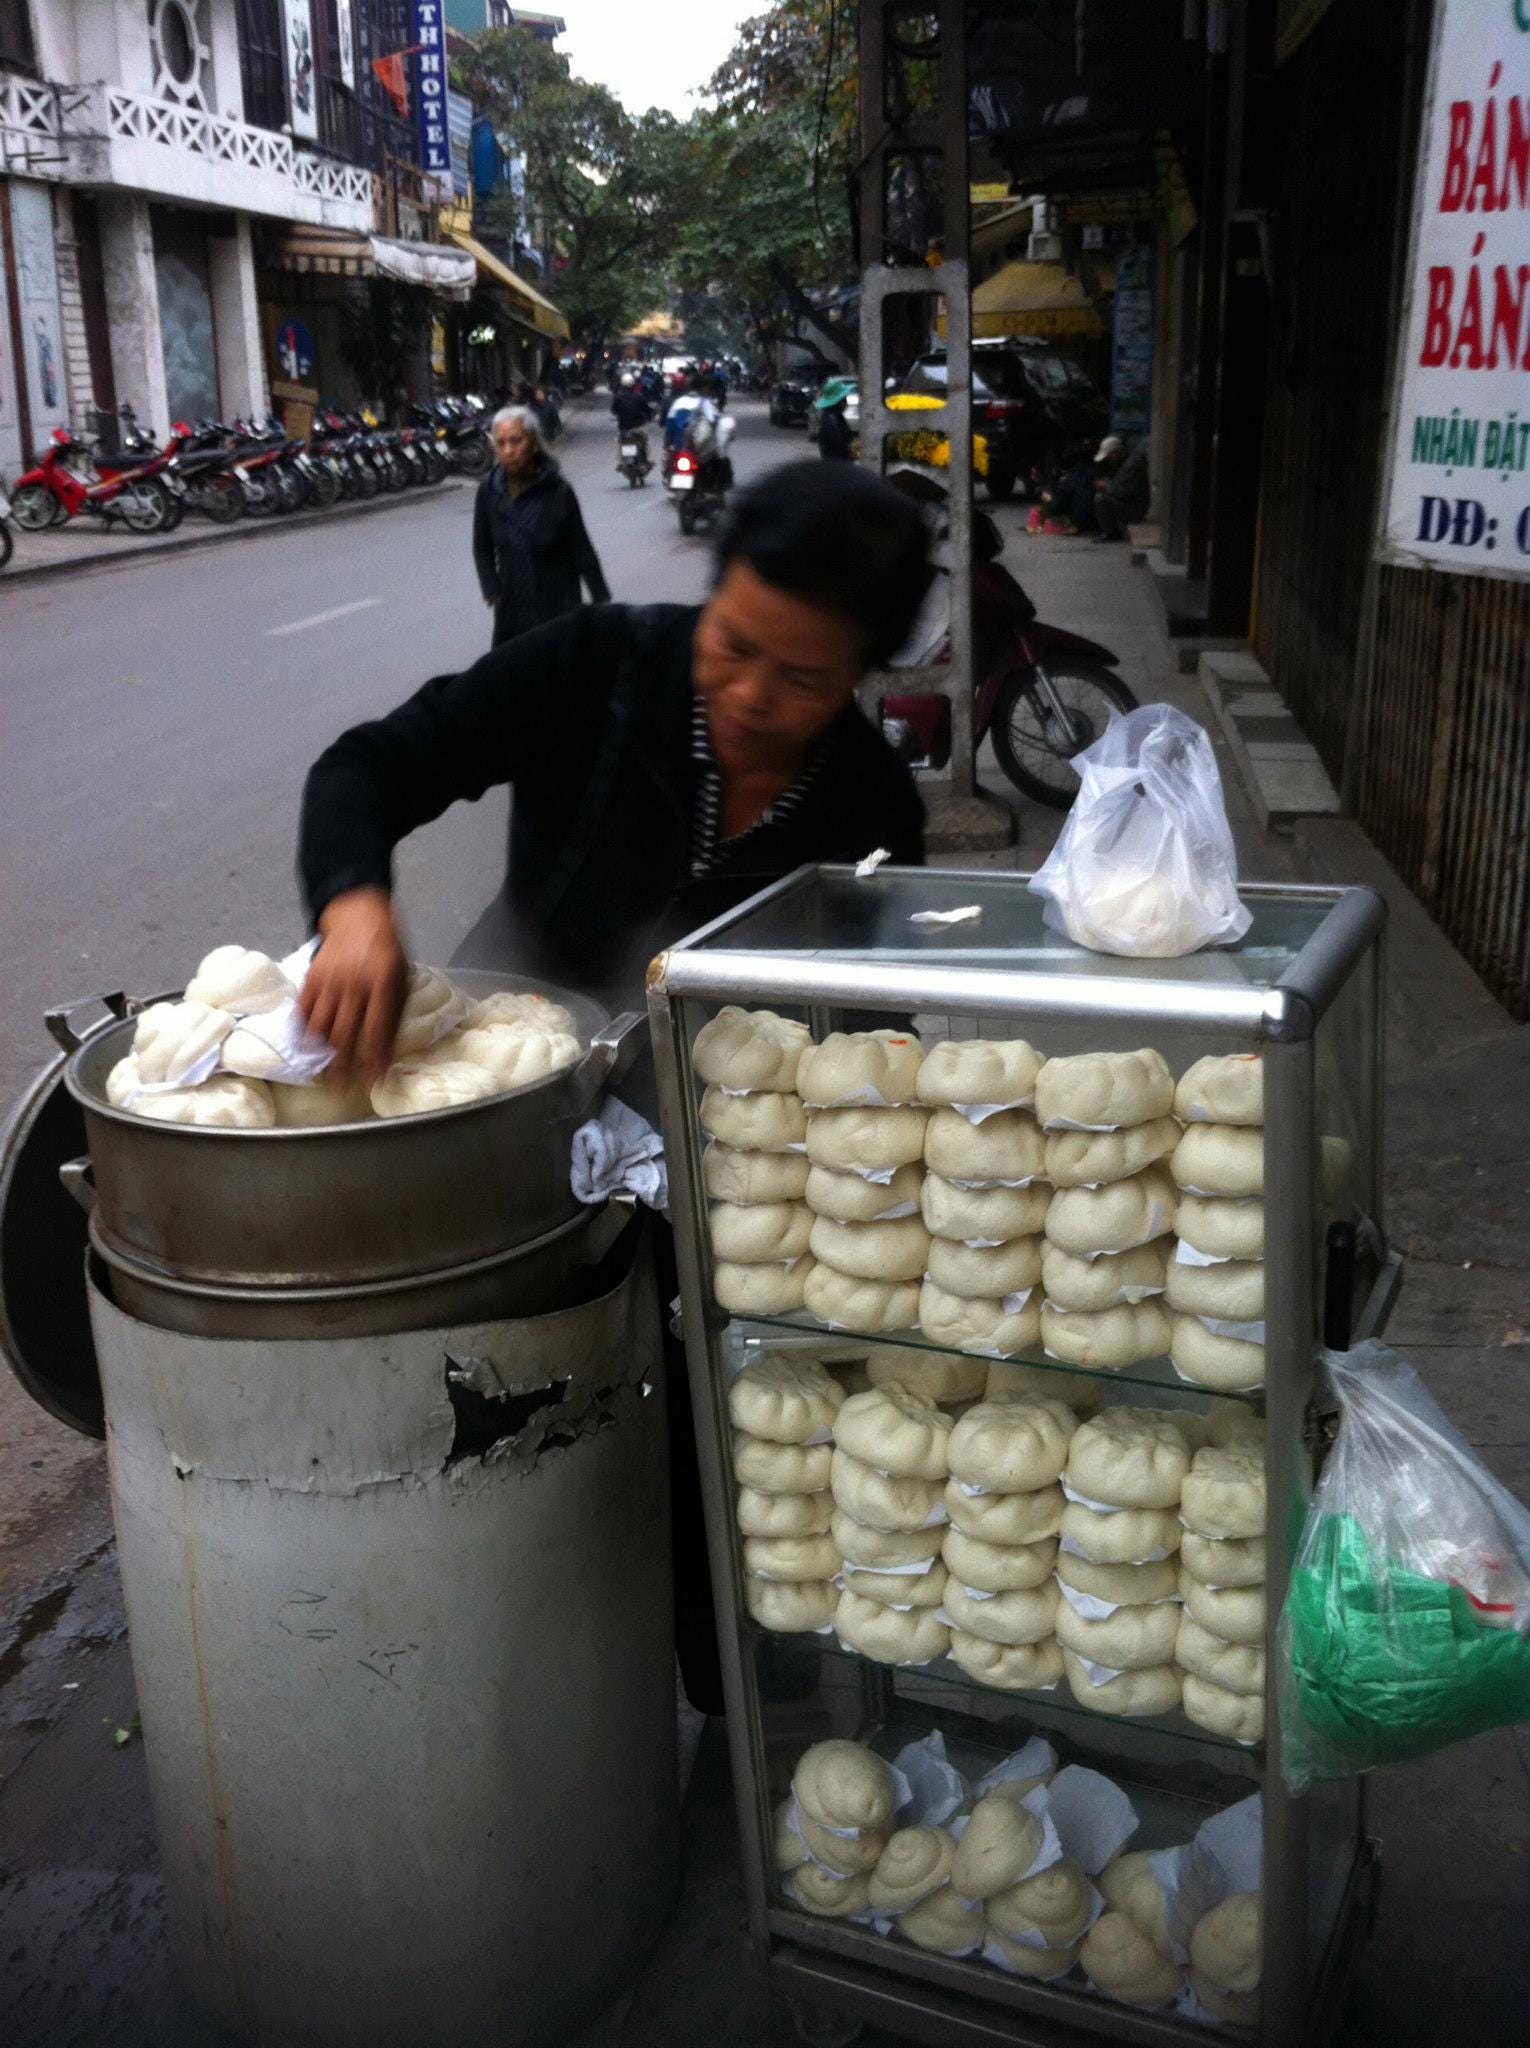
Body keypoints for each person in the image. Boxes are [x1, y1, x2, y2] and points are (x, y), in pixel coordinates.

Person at [297, 463, 932, 1714]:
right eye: (732, 644)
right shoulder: (597, 665)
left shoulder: (871, 807)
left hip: (720, 1174)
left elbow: (864, 1044)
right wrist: (353, 904)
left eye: (802, 679)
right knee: (503, 1426)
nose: (750, 695)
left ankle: (734, 1694)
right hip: (514, 1125)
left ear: (862, 673)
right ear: (711, 594)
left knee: (711, 1440)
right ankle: (499, 1681)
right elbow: (369, 764)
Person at [472, 404, 609, 649]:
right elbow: (482, 546)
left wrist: (601, 600)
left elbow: (582, 550)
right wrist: (492, 589)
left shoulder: (559, 491)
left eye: (516, 441)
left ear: (533, 443)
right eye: (501, 443)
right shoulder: (489, 491)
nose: (508, 450)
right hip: (512, 608)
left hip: (558, 606)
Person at [1093, 432, 1150, 542]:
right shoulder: (1124, 462)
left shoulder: (1132, 465)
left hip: (1135, 509)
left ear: (1116, 452)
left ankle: (1111, 533)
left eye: (1109, 456)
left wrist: (1105, 486)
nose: (1108, 459)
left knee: (1101, 499)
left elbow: (1122, 492)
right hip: (1130, 504)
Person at [610, 371, 652, 470]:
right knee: (646, 440)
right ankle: (647, 460)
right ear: (633, 384)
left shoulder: (618, 397)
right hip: (637, 428)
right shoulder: (639, 397)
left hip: (623, 428)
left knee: (618, 441)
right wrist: (648, 417)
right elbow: (647, 410)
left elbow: (613, 410)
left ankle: (619, 462)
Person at [815, 379, 855, 462]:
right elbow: (839, 441)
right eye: (844, 399)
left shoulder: (835, 415)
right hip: (836, 462)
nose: (846, 402)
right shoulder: (831, 418)